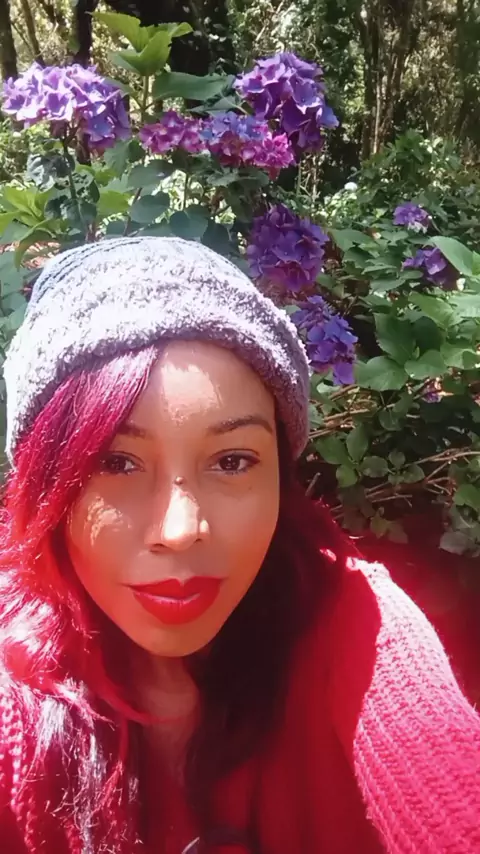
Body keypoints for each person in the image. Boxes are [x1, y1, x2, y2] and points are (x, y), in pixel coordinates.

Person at [0, 236, 479, 854]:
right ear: (46, 485)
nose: (180, 529)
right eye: (115, 462)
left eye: (231, 461)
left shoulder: (352, 620)